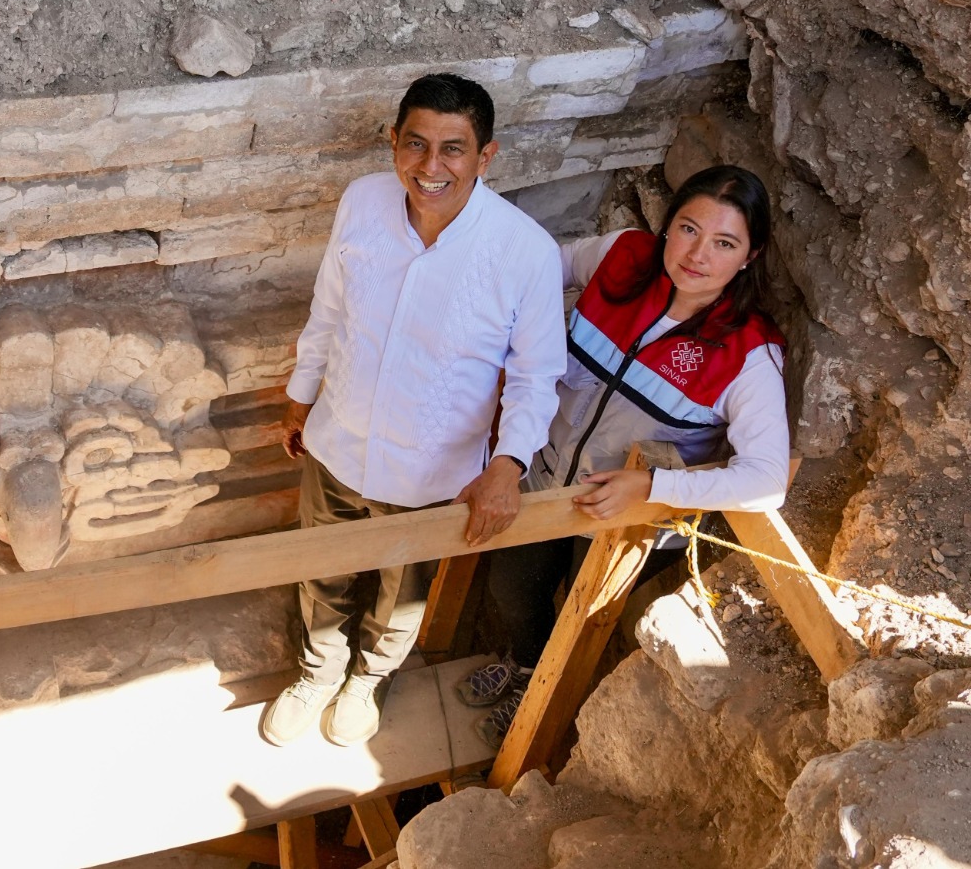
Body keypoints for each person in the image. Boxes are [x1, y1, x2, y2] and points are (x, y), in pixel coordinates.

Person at [261, 73, 566, 748]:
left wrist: (508, 466)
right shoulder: (364, 201)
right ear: (394, 143)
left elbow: (537, 377)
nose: (432, 167)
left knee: (402, 596)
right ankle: (317, 672)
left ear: (485, 157)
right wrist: (299, 398)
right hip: (336, 443)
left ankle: (367, 679)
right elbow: (330, 308)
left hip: (431, 477)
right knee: (322, 570)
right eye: (417, 145)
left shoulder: (525, 253)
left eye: (454, 149)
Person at [460, 164, 790, 748]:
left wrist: (654, 488)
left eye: (724, 243)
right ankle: (523, 664)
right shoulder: (623, 257)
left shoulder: (747, 354)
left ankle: (540, 695)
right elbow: (535, 264)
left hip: (627, 522)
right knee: (512, 590)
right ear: (667, 228)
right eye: (688, 229)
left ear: (749, 255)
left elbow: (766, 481)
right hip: (540, 481)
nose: (698, 255)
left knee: (581, 619)